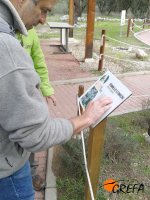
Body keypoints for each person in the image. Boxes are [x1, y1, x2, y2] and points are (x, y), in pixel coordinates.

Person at [0, 0, 112, 200]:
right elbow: (36, 134)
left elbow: (39, 62)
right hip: (8, 177)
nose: (43, 20)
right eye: (43, 10)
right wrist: (84, 120)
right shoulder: (6, 48)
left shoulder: (13, 34)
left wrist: (44, 88)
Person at [17, 28, 57, 191]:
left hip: (28, 94)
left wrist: (46, 89)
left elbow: (38, 61)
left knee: (32, 132)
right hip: (8, 94)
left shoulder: (31, 32)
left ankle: (31, 173)